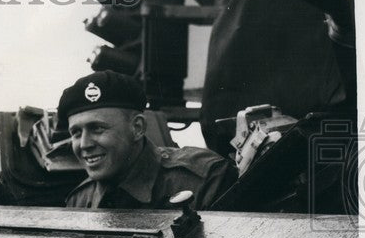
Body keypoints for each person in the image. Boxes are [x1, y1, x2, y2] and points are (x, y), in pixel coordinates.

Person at [59, 71, 237, 209]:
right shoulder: (80, 200)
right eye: (76, 132)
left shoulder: (206, 180)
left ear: (137, 128)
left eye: (97, 128)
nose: (84, 144)